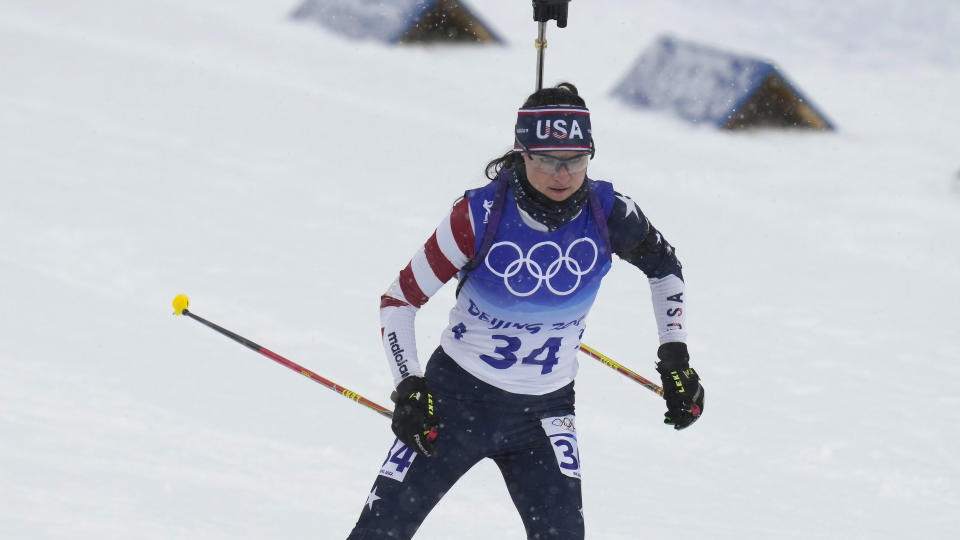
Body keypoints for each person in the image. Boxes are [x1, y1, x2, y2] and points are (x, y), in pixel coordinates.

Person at [347, 83, 704, 540]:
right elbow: (400, 300)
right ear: (522, 154)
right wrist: (410, 387)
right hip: (454, 402)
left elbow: (665, 267)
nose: (563, 173)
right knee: (379, 531)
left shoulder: (609, 212)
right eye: (547, 160)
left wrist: (676, 361)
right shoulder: (478, 215)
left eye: (575, 160)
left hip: (545, 413)